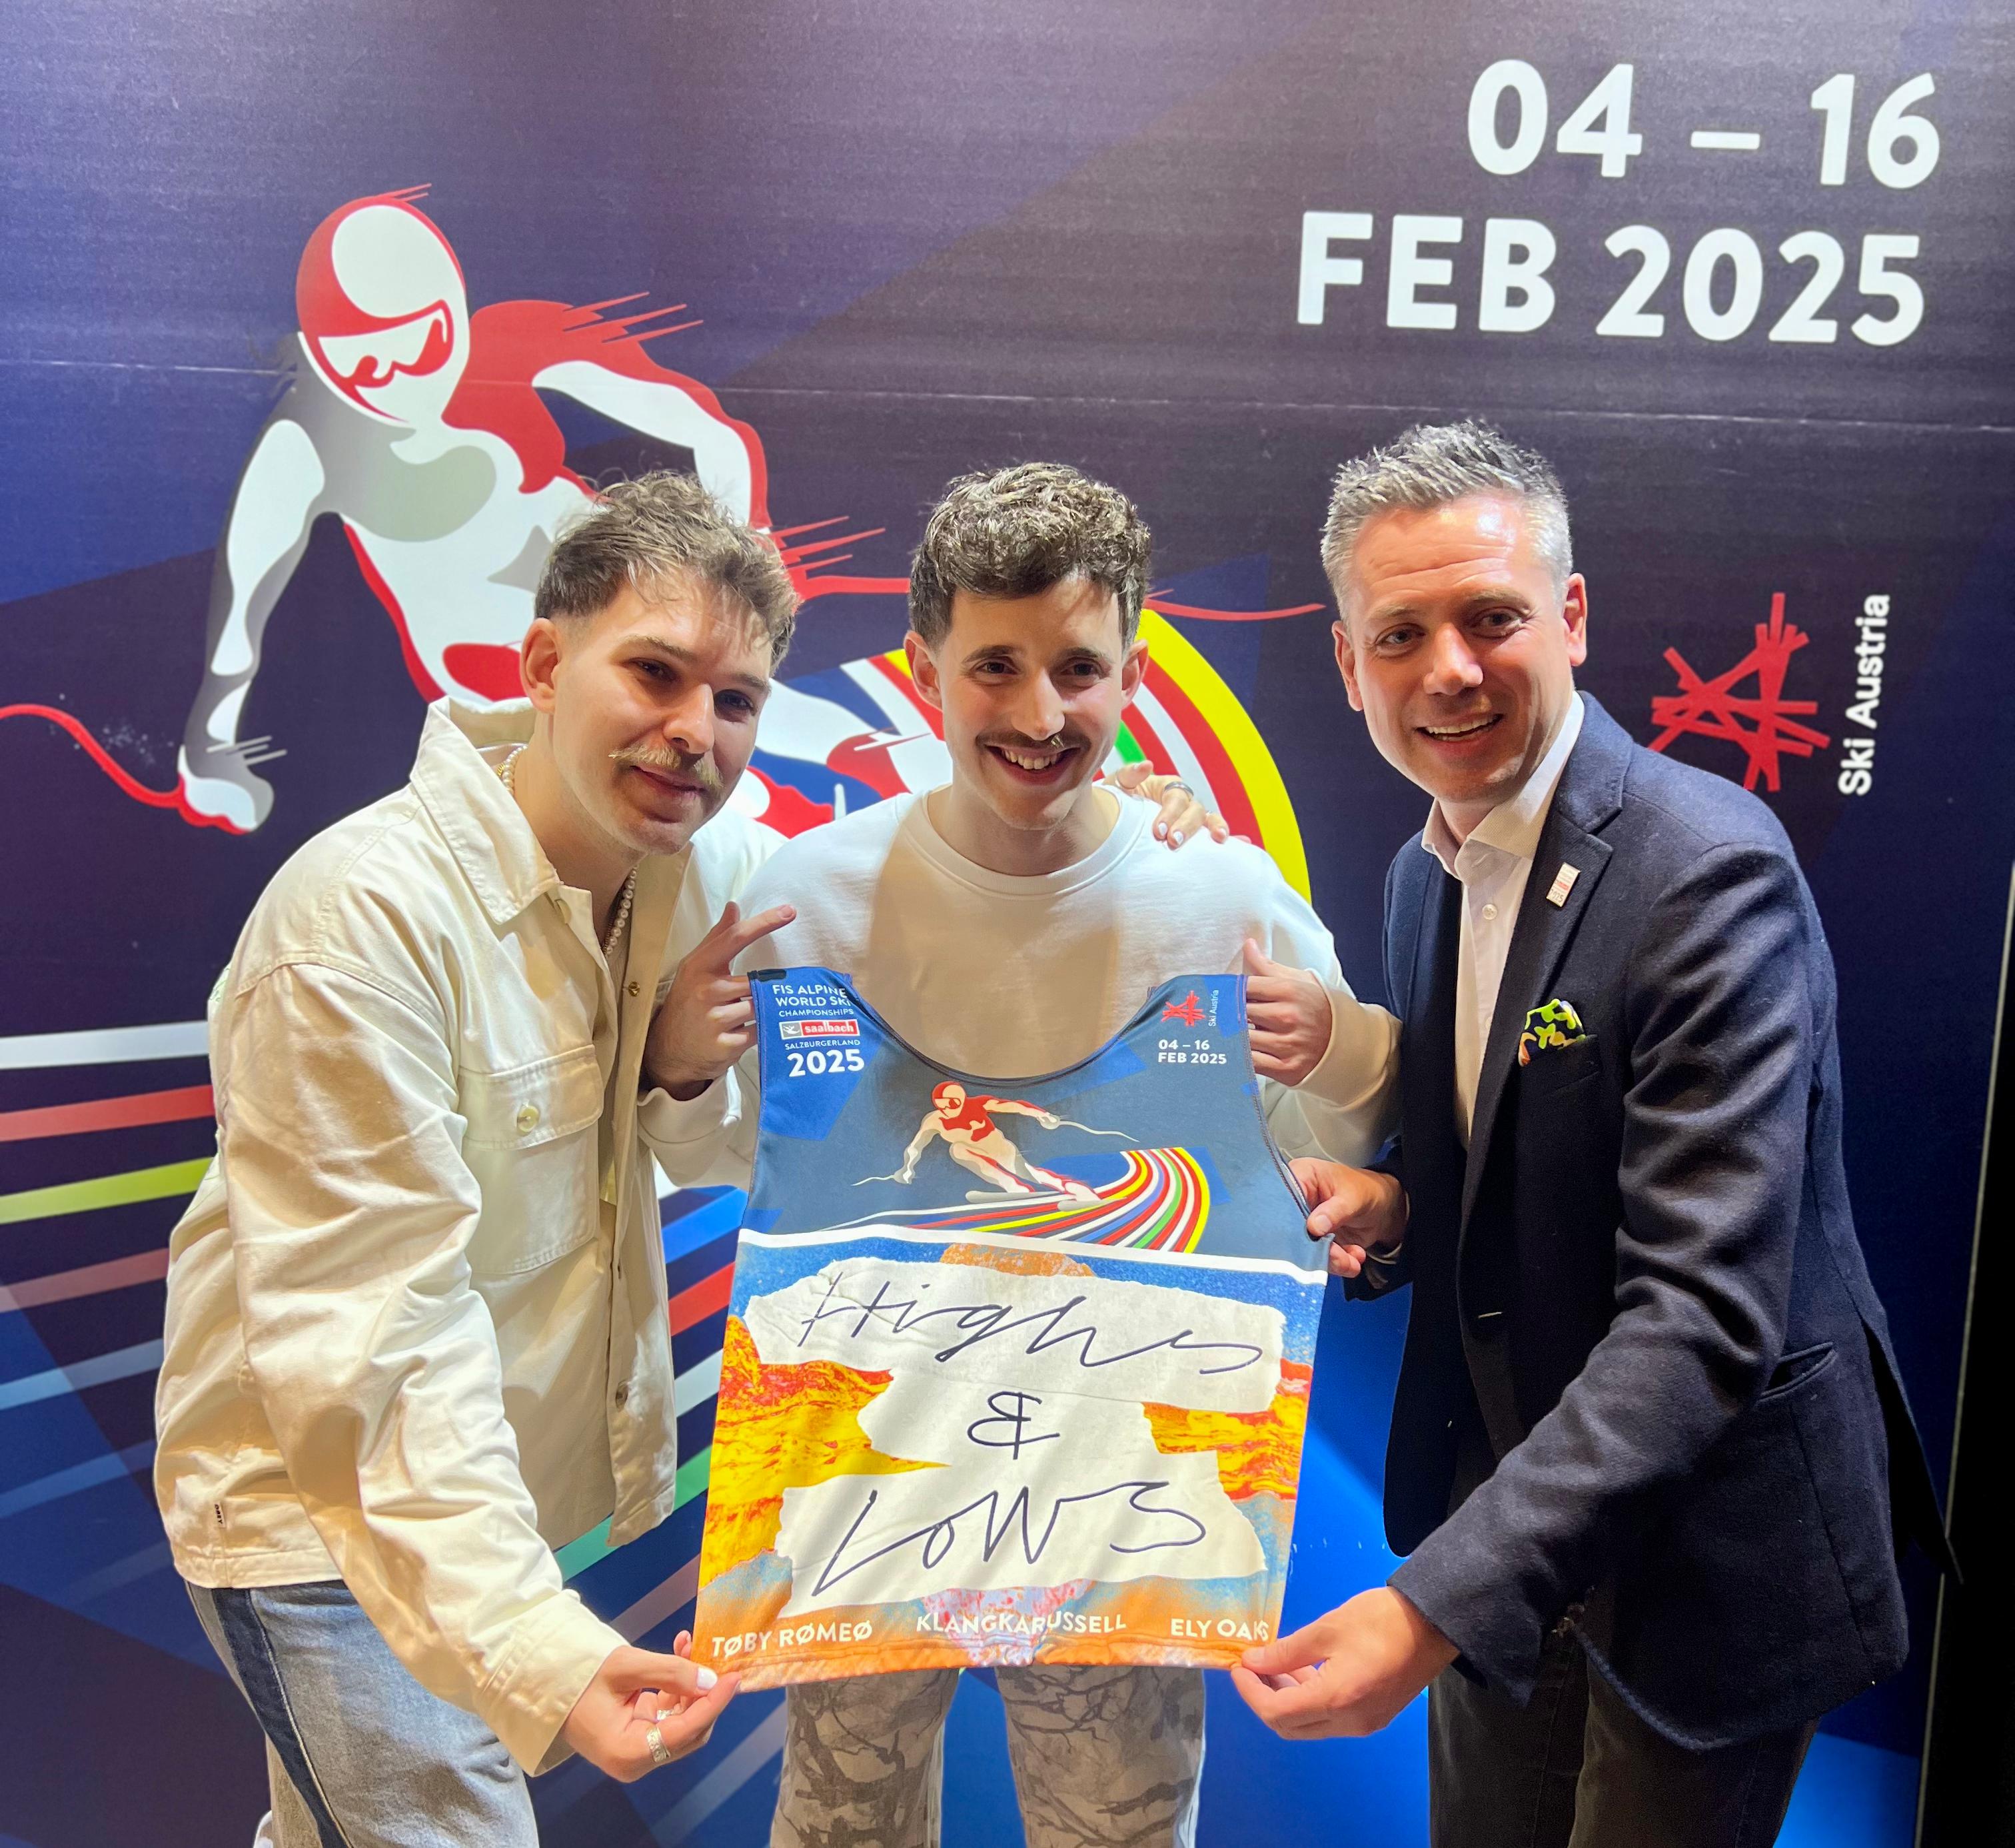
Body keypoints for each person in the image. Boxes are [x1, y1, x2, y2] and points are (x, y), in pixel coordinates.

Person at [153, 466, 1217, 1847]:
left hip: (484, 1509)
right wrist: (545, 1651)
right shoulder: (360, 926)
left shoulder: (708, 872)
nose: (691, 734)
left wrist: (1119, 821)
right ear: (545, 664)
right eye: (653, 673)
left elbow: (923, 880)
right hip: (323, 1510)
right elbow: (373, 1342)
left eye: (735, 700)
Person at [643, 461, 1402, 1847]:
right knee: (844, 1823)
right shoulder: (809, 894)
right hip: (868, 1471)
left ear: (1135, 673)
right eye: (995, 665)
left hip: (1117, 1482)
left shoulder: (1218, 892)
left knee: (1118, 1829)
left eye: (1079, 668)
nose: (1041, 714)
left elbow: (1332, 1157)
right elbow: (734, 1162)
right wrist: (684, 1065)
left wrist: (1341, 1045)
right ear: (924, 665)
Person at [1231, 423, 1952, 1847]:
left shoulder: (1707, 874)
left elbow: (1700, 1315)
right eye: (1401, 634)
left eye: (1491, 617)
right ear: (1349, 664)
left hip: (1704, 1561)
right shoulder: (1423, 872)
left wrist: (1429, 1606)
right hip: (1510, 1521)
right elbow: (1512, 1169)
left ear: (1569, 616)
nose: (1449, 669)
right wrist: (1396, 1208)